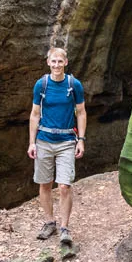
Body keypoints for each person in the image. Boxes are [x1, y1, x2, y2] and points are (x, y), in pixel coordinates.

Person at [28, 46, 86, 245]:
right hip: (44, 140)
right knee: (45, 184)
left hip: (66, 141)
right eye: (53, 61)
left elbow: (81, 112)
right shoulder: (41, 85)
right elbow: (35, 114)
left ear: (66, 63)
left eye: (60, 61)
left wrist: (81, 140)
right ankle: (49, 222)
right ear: (48, 63)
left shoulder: (74, 85)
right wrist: (31, 142)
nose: (57, 65)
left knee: (64, 186)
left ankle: (64, 227)